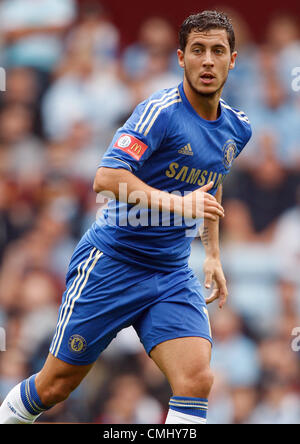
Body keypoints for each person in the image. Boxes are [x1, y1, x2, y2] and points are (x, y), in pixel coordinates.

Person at [0, 10, 252, 424]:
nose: (208, 60)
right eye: (198, 50)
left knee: (196, 379)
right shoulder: (160, 112)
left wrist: (212, 254)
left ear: (233, 60)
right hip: (113, 262)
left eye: (218, 51)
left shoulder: (237, 129)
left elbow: (212, 184)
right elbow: (106, 177)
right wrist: (179, 204)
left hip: (170, 273)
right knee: (55, 386)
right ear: (181, 57)